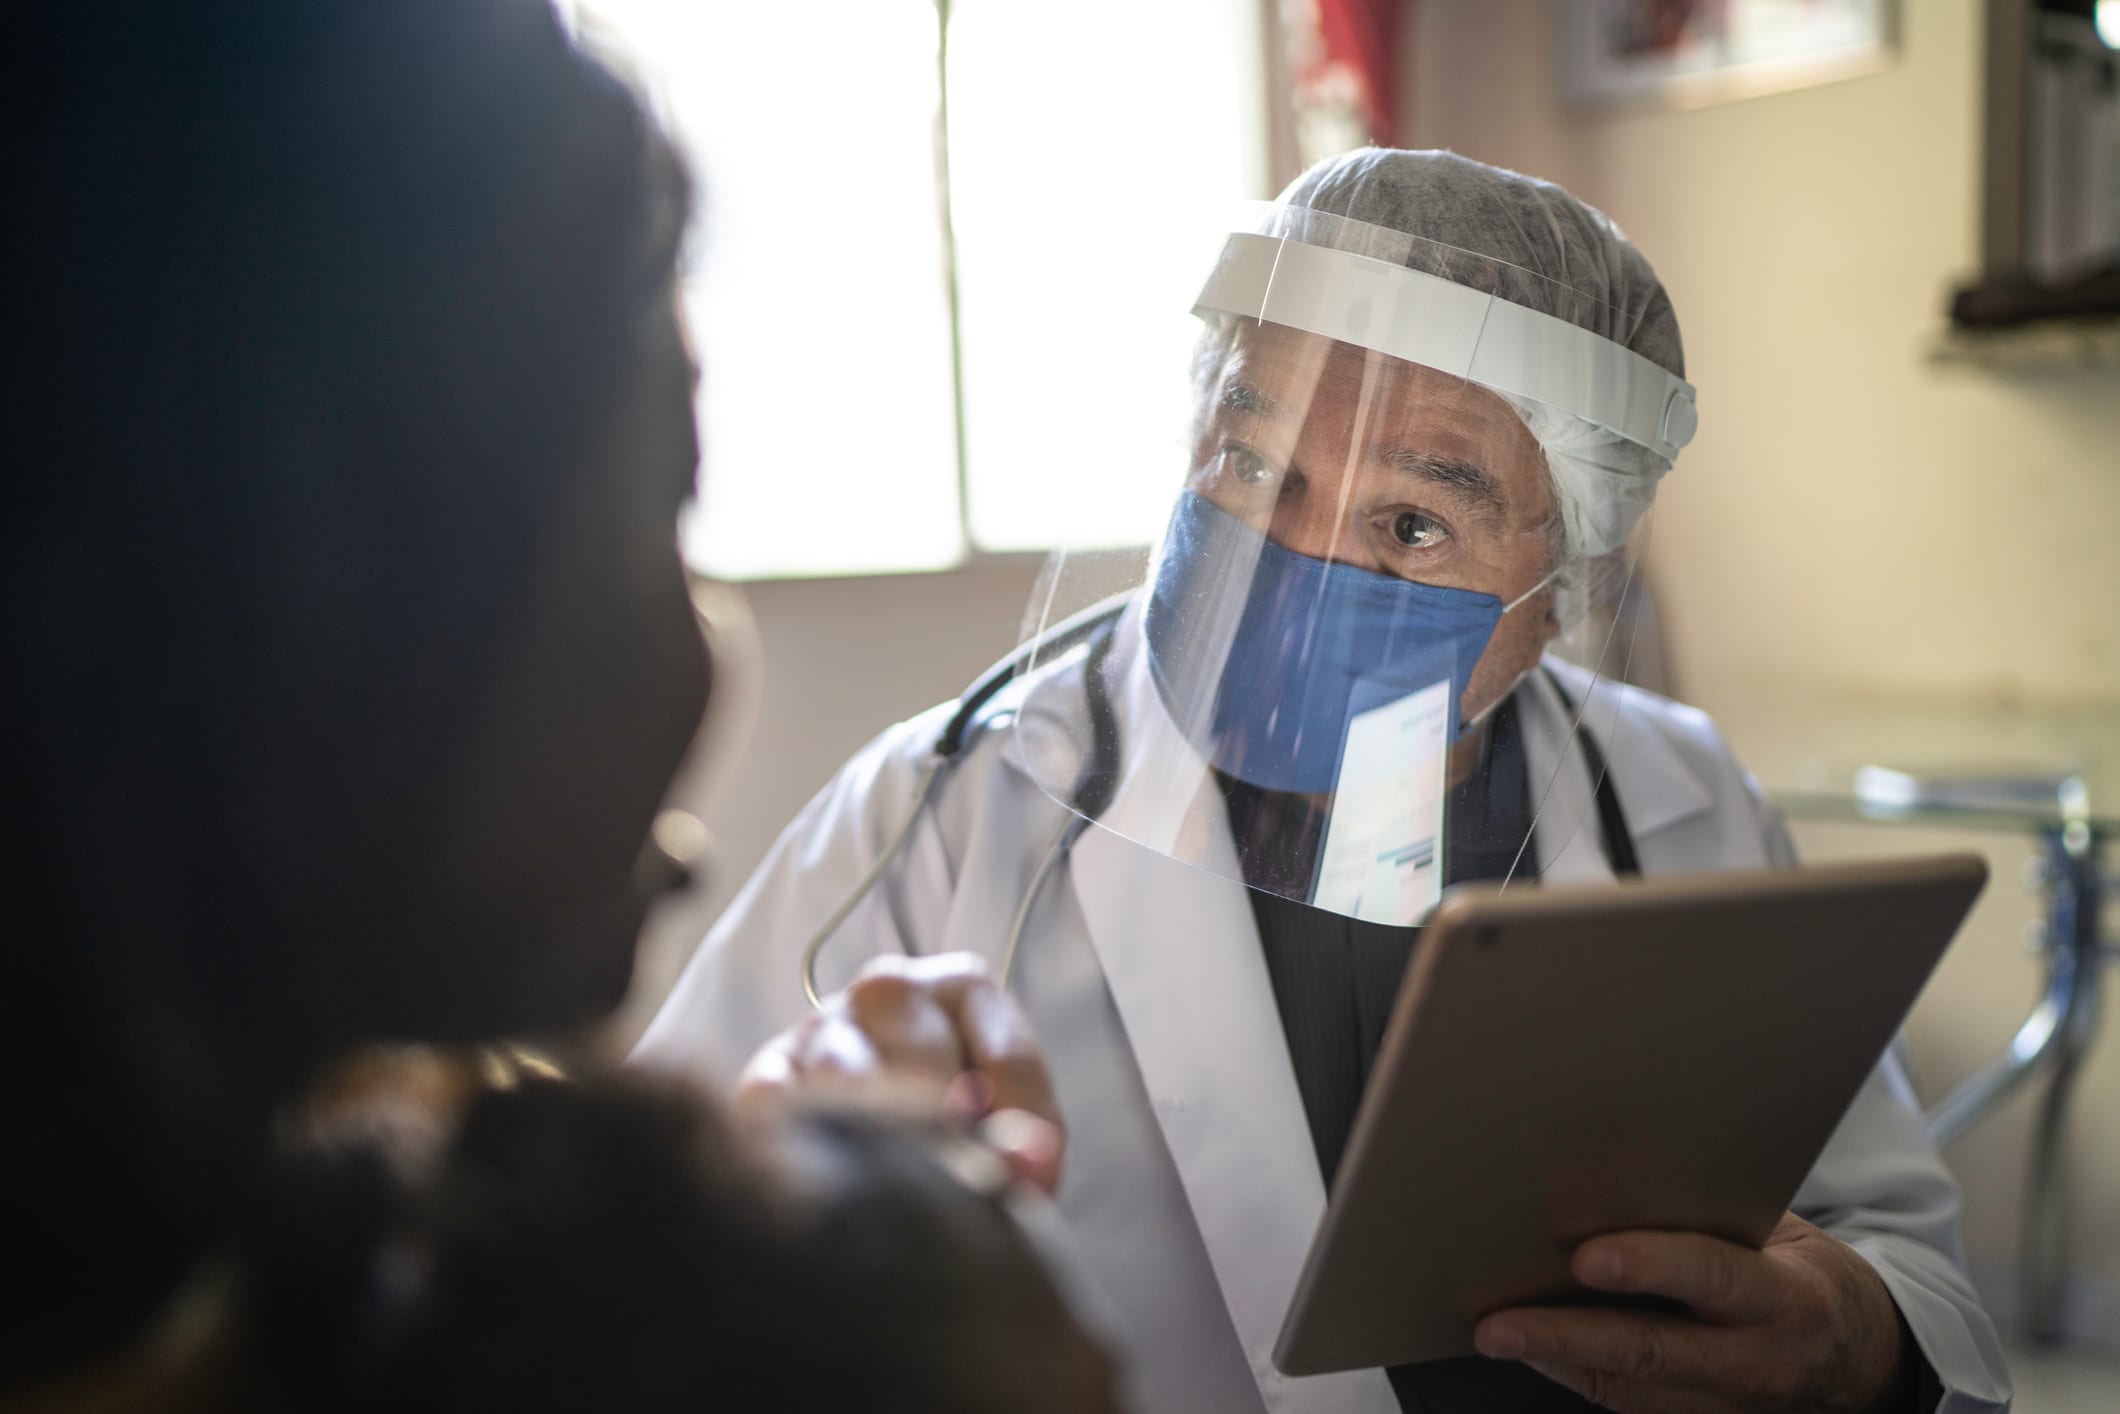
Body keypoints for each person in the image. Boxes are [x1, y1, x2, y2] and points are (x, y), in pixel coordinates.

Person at [635, 149, 2013, 1413]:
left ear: (1565, 587)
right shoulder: (948, 809)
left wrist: (1855, 1335)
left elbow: (1903, 1256)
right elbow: (636, 1258)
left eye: (1412, 522)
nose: (1290, 563)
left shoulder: (1679, 794)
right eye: (1250, 463)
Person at [8, 3, 1107, 1409]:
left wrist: (767, 1208)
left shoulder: (214, 1243)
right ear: (308, 594)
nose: (708, 662)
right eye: (661, 514)